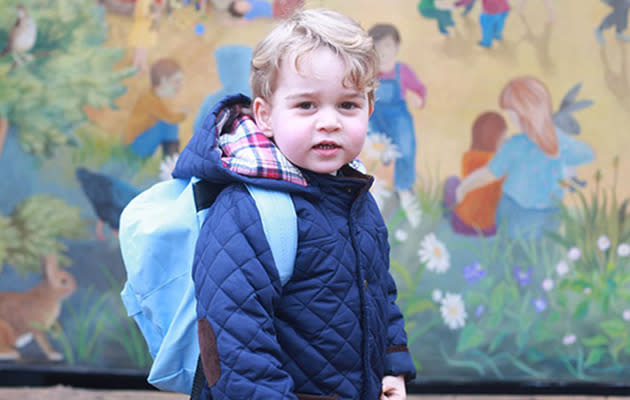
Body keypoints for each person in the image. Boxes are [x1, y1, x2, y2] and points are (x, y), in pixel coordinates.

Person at [171, 8, 416, 400]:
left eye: (348, 105)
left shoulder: (355, 197)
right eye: (306, 105)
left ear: (369, 110)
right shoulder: (248, 210)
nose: (329, 121)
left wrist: (392, 369)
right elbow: (237, 342)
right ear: (265, 116)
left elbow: (379, 294)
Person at [455, 76, 594, 239]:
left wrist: (464, 187)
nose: (512, 121)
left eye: (512, 115)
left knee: (513, 250)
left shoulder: (515, 145)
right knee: (537, 254)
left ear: (524, 113)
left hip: (515, 213)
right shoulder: (559, 141)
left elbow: (489, 173)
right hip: (547, 216)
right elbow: (587, 154)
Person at [367, 24, 426, 223]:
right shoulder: (369, 73)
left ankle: (404, 189)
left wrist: (417, 98)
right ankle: (374, 189)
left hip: (398, 117)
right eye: (377, 46)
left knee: (406, 149)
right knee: (371, 146)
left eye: (388, 46)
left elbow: (419, 89)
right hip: (375, 117)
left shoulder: (403, 71)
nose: (383, 51)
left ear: (397, 47)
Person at [443, 111, 507, 236]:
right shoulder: (500, 166)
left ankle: (447, 213)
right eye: (503, 139)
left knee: (452, 181)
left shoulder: (468, 157)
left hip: (461, 224)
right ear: (496, 140)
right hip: (489, 230)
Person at [125, 58, 188, 159]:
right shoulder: (150, 99)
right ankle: (171, 162)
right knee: (169, 124)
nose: (179, 86)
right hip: (134, 147)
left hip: (137, 144)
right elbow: (170, 118)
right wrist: (184, 114)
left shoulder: (153, 98)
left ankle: (171, 162)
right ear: (163, 80)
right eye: (176, 81)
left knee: (168, 123)